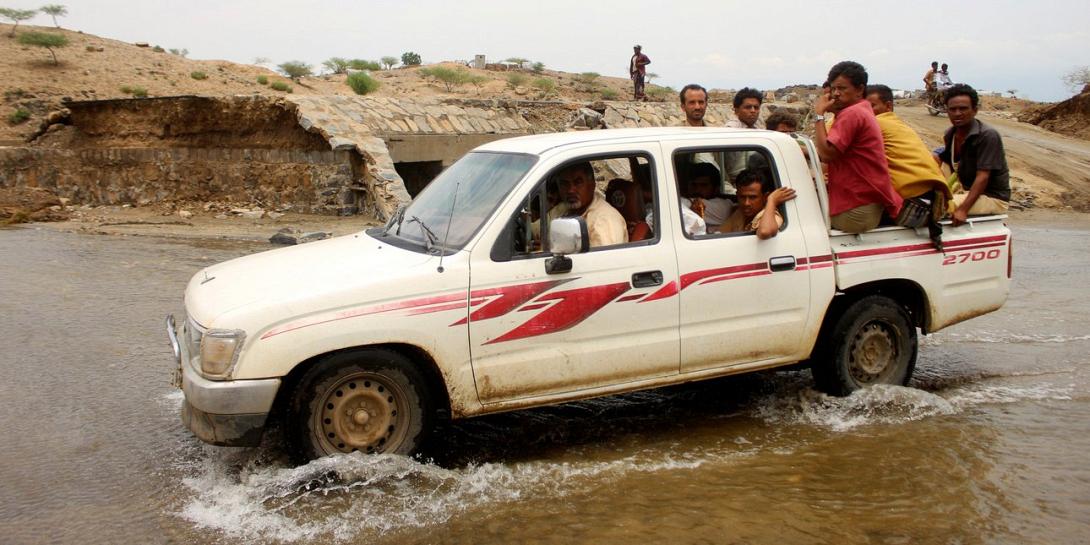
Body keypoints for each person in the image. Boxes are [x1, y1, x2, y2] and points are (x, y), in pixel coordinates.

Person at [813, 61, 903, 233]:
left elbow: (826, 154)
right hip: (866, 205)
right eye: (833, 89)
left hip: (855, 212)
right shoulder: (862, 110)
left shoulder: (852, 114)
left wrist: (819, 114)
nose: (836, 94)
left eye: (842, 88)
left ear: (860, 89)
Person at [865, 84, 952, 226]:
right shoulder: (898, 124)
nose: (866, 112)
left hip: (916, 206)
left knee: (855, 216)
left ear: (888, 106)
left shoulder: (876, 123)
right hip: (933, 199)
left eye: (871, 107)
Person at [934, 84, 1011, 225]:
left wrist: (963, 209)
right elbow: (947, 165)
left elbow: (983, 176)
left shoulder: (988, 136)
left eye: (963, 108)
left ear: (975, 110)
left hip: (992, 197)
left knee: (934, 206)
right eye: (952, 109)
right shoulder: (950, 134)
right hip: (966, 189)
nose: (957, 113)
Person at [548, 162, 628, 247]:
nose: (570, 190)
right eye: (564, 184)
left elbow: (607, 259)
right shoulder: (565, 208)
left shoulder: (604, 221)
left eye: (578, 182)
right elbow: (537, 229)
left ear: (592, 184)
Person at [719, 169, 796, 239]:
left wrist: (772, 201)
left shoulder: (770, 215)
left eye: (753, 197)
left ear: (765, 197)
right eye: (742, 197)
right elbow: (720, 233)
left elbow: (764, 232)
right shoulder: (739, 213)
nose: (746, 203)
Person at [684, 162, 733, 232]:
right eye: (693, 185)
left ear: (716, 188)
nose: (697, 189)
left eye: (703, 185)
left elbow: (682, 203)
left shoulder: (723, 206)